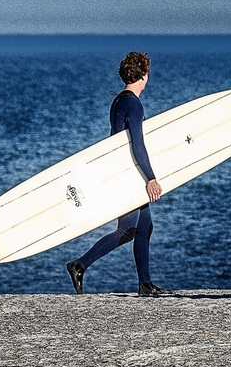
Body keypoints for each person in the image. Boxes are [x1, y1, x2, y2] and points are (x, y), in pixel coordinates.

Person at [66, 51, 169, 297]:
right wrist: (151, 177)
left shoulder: (119, 101)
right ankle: (79, 265)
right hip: (128, 174)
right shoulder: (133, 103)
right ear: (143, 75)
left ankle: (145, 284)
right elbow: (137, 144)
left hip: (122, 169)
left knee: (145, 227)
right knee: (127, 230)